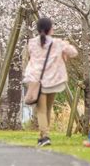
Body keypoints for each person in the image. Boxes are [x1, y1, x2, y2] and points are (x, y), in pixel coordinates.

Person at [24, 17, 78, 147]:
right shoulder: (58, 43)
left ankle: (45, 136)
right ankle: (43, 135)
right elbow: (73, 53)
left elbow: (30, 57)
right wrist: (66, 44)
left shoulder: (31, 43)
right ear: (50, 29)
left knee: (41, 110)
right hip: (53, 80)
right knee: (47, 109)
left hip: (37, 80)